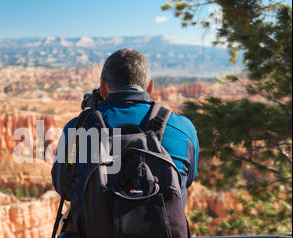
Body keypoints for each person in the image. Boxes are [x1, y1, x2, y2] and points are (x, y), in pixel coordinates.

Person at [52, 48, 199, 213]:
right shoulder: (183, 130)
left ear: (103, 86)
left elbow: (63, 188)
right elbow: (185, 181)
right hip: (164, 237)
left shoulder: (77, 129)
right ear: (150, 87)